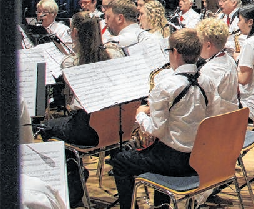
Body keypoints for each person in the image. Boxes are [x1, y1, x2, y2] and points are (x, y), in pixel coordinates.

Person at [110, 29, 208, 209]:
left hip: (173, 161)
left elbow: (155, 130)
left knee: (120, 161)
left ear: (176, 52)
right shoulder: (207, 80)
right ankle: (161, 205)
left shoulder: (166, 85)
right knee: (158, 149)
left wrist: (140, 113)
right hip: (198, 158)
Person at [40, 11, 124, 206]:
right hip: (114, 128)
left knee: (45, 127)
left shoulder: (71, 62)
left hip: (86, 129)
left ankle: (74, 176)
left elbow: (70, 98)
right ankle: (76, 171)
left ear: (75, 32)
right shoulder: (115, 54)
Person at [196, 18, 239, 117]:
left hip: (216, 124)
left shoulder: (209, 70)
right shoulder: (229, 59)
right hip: (230, 118)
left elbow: (201, 105)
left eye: (199, 43)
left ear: (208, 45)